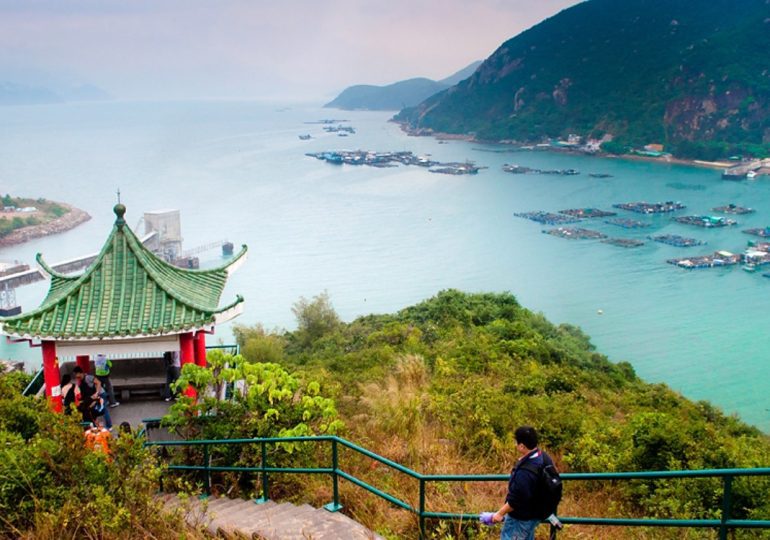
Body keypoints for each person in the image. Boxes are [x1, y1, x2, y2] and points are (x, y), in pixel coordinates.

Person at [492, 426, 556, 540]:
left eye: (516, 442)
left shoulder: (525, 472)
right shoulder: (543, 457)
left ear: (522, 446)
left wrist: (499, 514)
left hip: (520, 519)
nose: (515, 445)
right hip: (534, 515)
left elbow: (515, 501)